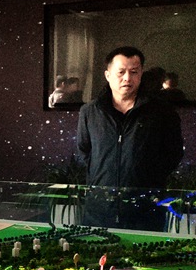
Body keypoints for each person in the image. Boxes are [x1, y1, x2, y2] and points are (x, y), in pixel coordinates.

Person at [77, 46, 184, 231]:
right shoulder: (90, 112)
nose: (127, 78)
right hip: (99, 211)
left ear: (141, 74)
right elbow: (84, 151)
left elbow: (173, 153)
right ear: (108, 75)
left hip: (146, 211)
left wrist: (148, 178)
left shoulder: (162, 112)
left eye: (134, 72)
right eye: (121, 72)